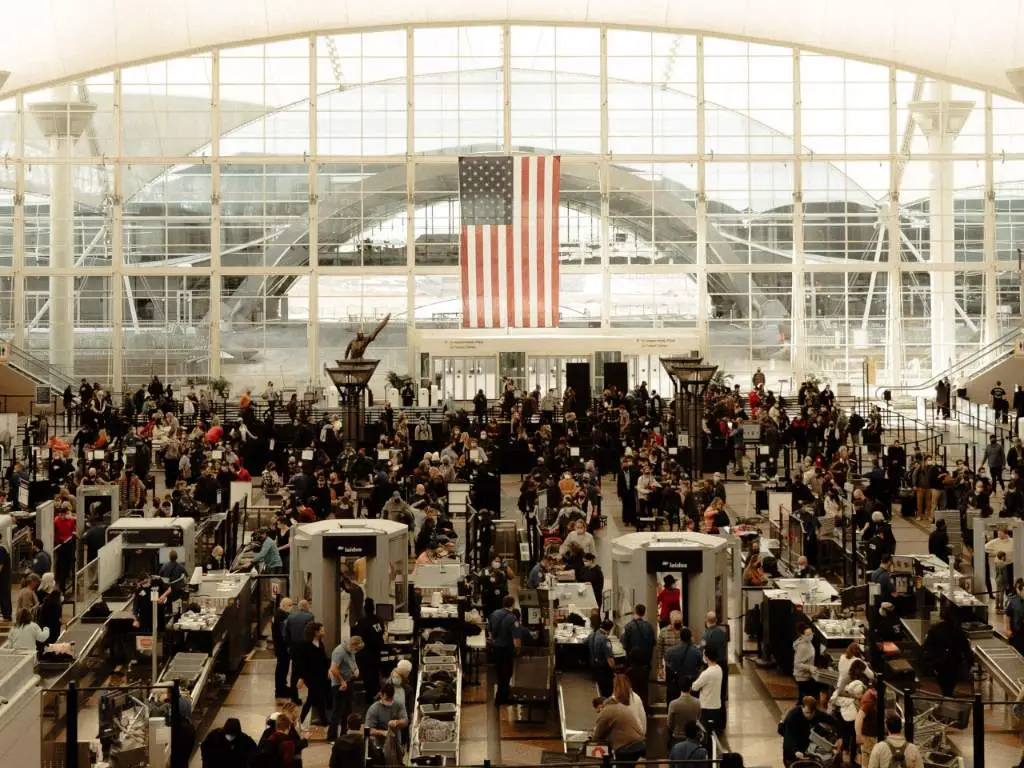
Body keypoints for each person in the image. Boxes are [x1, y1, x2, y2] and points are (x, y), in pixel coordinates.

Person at [293, 621, 330, 728]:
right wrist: (301, 677)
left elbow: (323, 660)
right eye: (322, 630)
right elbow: (302, 663)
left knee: (314, 698)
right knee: (315, 698)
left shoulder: (320, 643)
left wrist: (328, 670)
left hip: (320, 676)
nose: (324, 632)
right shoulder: (305, 646)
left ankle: (302, 721)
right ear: (316, 632)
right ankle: (324, 722)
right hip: (311, 677)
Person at [591, 695, 646, 766]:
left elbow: (597, 736)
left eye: (598, 710)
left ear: (600, 706)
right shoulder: (621, 706)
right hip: (640, 742)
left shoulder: (605, 711)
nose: (598, 712)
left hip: (626, 747)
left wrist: (593, 738)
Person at [326, 635, 363, 741]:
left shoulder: (351, 650)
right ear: (353, 644)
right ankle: (332, 736)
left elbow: (353, 661)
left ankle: (344, 733)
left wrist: (356, 669)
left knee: (348, 710)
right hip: (339, 685)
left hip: (349, 681)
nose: (356, 651)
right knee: (338, 711)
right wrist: (342, 681)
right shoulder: (339, 652)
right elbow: (333, 669)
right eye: (356, 649)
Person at [782, 697, 833, 766]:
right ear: (802, 707)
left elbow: (833, 720)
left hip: (803, 744)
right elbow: (788, 738)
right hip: (792, 749)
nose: (808, 716)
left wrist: (840, 737)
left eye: (811, 713)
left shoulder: (815, 713)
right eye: (806, 713)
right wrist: (795, 751)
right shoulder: (792, 717)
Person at [489, 595, 519, 706]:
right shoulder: (512, 618)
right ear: (513, 604)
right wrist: (518, 650)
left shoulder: (494, 614)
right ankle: (503, 698)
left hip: (496, 649)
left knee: (500, 673)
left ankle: (499, 696)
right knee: (507, 673)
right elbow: (516, 638)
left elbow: (490, 632)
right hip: (507, 649)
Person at [353, 599, 385, 700]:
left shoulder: (362, 622)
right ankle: (377, 693)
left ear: (365, 609)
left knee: (368, 675)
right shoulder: (379, 620)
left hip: (366, 653)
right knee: (375, 674)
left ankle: (369, 697)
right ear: (373, 608)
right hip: (377, 652)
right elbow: (381, 632)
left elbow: (358, 637)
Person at [691, 651, 724, 733]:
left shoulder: (706, 673)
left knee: (705, 731)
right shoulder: (719, 669)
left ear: (706, 657)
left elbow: (694, 687)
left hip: (707, 707)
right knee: (713, 731)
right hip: (716, 705)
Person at [667, 676, 701, 748]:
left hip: (677, 737)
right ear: (690, 687)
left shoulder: (673, 704)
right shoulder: (697, 702)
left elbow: (669, 724)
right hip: (692, 738)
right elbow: (698, 718)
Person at [621, 604, 656, 669]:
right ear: (644, 613)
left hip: (633, 661)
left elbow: (624, 644)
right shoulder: (649, 626)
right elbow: (653, 643)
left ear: (635, 612)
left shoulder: (628, 626)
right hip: (646, 661)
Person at [589, 619, 616, 697]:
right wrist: (614, 670)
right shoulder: (605, 640)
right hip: (604, 671)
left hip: (595, 668)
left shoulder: (593, 635)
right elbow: (609, 659)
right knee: (607, 693)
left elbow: (585, 642)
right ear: (609, 629)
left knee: (600, 692)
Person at [792, 624, 818, 703]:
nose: (811, 636)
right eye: (808, 634)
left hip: (805, 675)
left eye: (811, 633)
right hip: (802, 677)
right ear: (802, 635)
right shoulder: (802, 647)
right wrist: (810, 667)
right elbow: (797, 664)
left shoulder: (806, 642)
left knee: (802, 699)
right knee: (805, 700)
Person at [0, 543, 11, 621]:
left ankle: (7, 615)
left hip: (3, 578)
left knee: (4, 596)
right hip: (3, 578)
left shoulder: (0, 550)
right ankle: (6, 615)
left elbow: (0, 565)